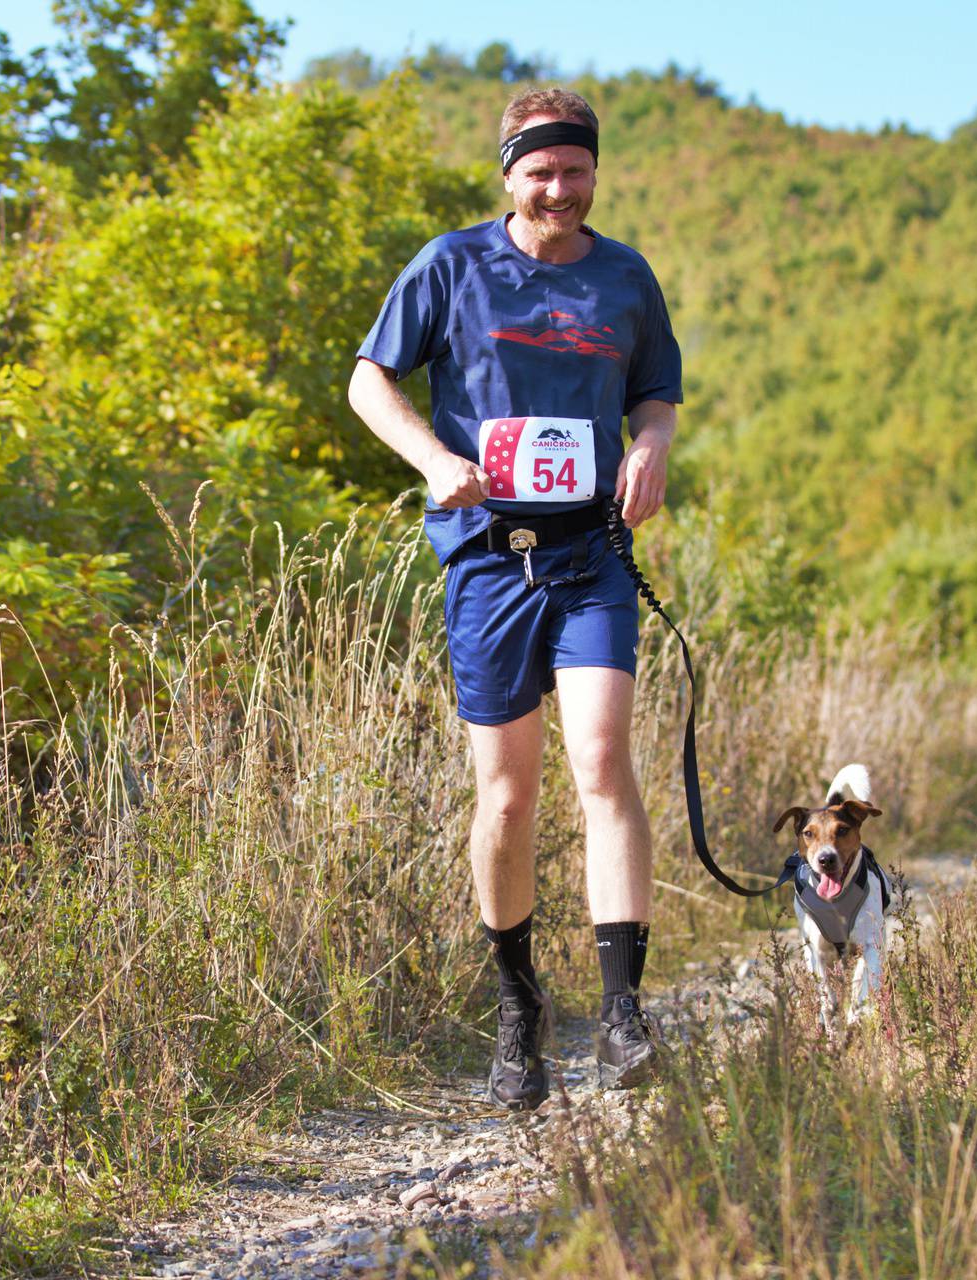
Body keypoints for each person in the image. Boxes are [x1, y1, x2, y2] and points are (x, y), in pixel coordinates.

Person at [347, 87, 683, 1111]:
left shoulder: (625, 276)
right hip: (489, 559)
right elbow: (370, 380)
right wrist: (433, 456)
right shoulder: (450, 264)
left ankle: (622, 1014)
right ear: (508, 174)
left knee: (603, 758)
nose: (559, 188)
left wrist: (654, 444)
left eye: (575, 170)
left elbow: (655, 389)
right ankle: (518, 1006)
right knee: (507, 792)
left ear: (595, 172)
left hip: (591, 555)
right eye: (540, 172)